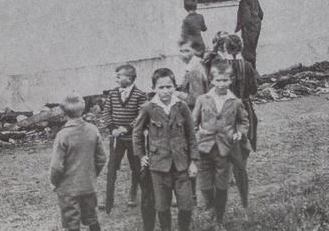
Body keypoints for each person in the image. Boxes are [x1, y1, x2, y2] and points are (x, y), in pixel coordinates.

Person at [134, 68, 198, 231]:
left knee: (186, 204)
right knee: (162, 206)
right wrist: (141, 155)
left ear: (175, 87)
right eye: (161, 87)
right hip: (158, 166)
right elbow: (137, 133)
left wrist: (193, 162)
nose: (165, 91)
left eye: (169, 86)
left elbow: (191, 135)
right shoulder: (148, 108)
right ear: (154, 88)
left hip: (181, 165)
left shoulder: (181, 106)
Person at [193, 62, 249, 230]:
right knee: (205, 183)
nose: (221, 84)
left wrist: (240, 132)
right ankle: (210, 205)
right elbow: (192, 122)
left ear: (231, 80)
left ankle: (219, 220)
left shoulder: (235, 102)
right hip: (204, 147)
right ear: (211, 80)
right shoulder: (202, 100)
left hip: (224, 149)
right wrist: (198, 132)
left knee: (222, 184)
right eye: (218, 80)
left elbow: (243, 121)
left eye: (225, 80)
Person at [50, 93, 106, 231]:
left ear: (63, 113)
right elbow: (102, 158)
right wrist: (92, 174)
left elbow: (56, 166)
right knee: (92, 218)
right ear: (84, 109)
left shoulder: (63, 135)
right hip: (88, 185)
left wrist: (54, 182)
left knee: (71, 222)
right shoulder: (93, 130)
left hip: (68, 189)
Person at [101, 64, 146, 213]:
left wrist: (126, 128)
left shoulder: (140, 95)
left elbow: (141, 116)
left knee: (136, 167)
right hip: (116, 139)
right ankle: (108, 199)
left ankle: (133, 194)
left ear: (130, 78)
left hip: (133, 138)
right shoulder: (113, 94)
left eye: (119, 76)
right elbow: (106, 112)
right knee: (112, 167)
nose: (116, 78)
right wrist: (113, 128)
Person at [222, 34, 258, 210]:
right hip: (244, 106)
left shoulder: (221, 68)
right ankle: (240, 172)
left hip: (226, 109)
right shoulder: (247, 66)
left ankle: (229, 176)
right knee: (244, 139)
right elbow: (254, 89)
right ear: (241, 47)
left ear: (225, 48)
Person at [234, 0, 263, 69]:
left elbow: (245, 17)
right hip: (256, 28)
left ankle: (251, 72)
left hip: (248, 29)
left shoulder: (244, 1)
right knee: (252, 49)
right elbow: (261, 14)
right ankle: (253, 71)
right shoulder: (255, 0)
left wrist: (238, 28)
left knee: (247, 51)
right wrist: (256, 22)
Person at [175, 39, 208, 109]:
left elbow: (195, 99)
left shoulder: (194, 70)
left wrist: (176, 94)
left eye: (187, 51)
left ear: (195, 51)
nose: (184, 54)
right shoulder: (190, 66)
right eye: (181, 51)